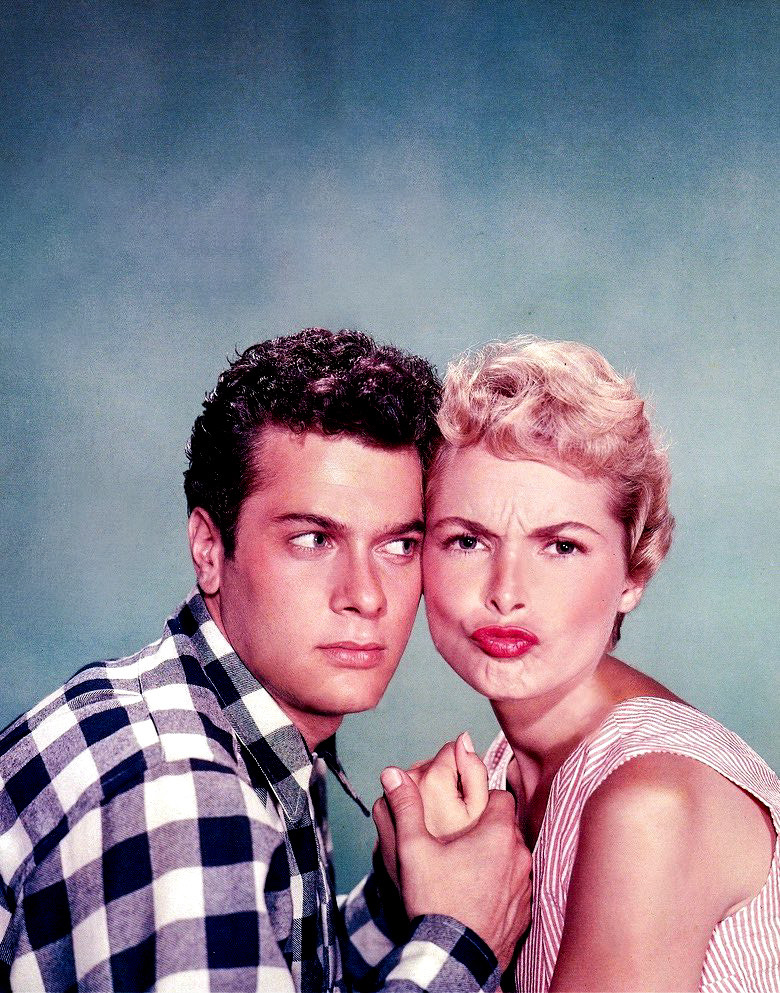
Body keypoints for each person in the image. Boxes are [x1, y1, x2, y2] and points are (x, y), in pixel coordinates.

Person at [0, 328, 531, 993]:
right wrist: (463, 935)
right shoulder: (179, 789)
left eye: (398, 545)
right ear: (208, 548)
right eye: (313, 538)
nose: (365, 596)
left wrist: (402, 904)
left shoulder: (231, 722)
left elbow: (274, 963)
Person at [377, 337, 780, 992]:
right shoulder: (507, 772)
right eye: (467, 539)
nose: (506, 590)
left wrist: (448, 922)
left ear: (634, 572)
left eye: (560, 545)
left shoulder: (648, 804)